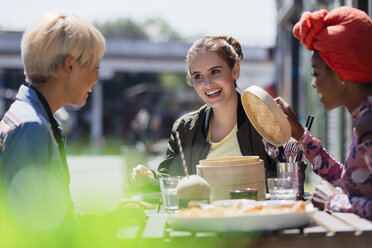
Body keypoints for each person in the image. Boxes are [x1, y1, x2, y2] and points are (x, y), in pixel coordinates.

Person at [0, 12, 149, 247]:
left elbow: (46, 220)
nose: (97, 78)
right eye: (96, 66)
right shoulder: (33, 128)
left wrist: (107, 218)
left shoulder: (28, 116)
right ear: (69, 66)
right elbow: (27, 236)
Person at [131, 35, 276, 188]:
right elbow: (170, 182)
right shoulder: (184, 129)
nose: (207, 84)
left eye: (215, 72)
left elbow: (283, 175)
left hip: (255, 210)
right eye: (198, 76)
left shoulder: (262, 120)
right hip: (201, 211)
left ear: (235, 70)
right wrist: (147, 178)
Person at [276, 6, 372, 220]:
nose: (313, 84)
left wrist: (333, 200)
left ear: (341, 75)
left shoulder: (369, 124)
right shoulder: (364, 118)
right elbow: (354, 182)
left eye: (316, 73)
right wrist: (301, 135)